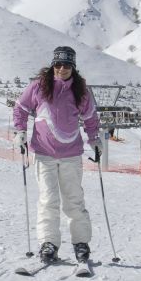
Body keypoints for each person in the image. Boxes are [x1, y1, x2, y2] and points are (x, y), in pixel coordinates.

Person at [13, 46, 100, 265]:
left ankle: (81, 243)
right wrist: (20, 131)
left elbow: (90, 118)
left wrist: (94, 139)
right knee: (48, 200)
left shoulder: (81, 90)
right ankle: (48, 244)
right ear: (53, 64)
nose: (62, 69)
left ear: (73, 67)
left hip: (71, 154)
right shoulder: (39, 86)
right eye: (59, 64)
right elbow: (20, 108)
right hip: (44, 153)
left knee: (74, 200)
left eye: (67, 65)